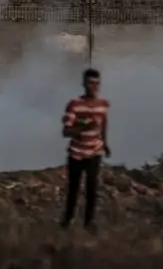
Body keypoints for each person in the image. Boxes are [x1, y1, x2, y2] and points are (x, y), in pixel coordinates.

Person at [61, 67, 110, 231]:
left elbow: (103, 122)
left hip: (94, 152)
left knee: (92, 187)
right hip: (76, 153)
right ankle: (67, 220)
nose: (94, 87)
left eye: (97, 83)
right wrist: (83, 127)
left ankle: (89, 223)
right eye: (90, 83)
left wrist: (105, 143)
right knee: (74, 189)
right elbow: (66, 131)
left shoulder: (103, 105)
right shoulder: (74, 105)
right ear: (83, 84)